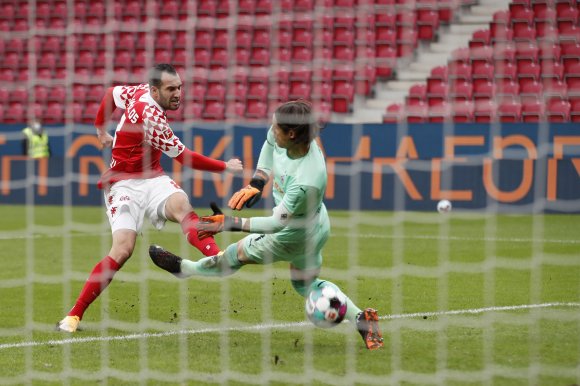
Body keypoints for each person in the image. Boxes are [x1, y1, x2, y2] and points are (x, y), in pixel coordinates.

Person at [149, 100, 383, 350]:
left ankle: (185, 268)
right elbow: (270, 145)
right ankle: (361, 319)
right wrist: (257, 182)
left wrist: (229, 223)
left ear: (291, 133)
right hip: (317, 225)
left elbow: (275, 223)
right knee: (304, 284)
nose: (271, 129)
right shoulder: (294, 139)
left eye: (276, 127)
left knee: (234, 255)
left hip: (290, 234)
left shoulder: (308, 179)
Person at [57, 63, 243, 332]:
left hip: (153, 178)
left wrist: (100, 128)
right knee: (123, 250)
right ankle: (73, 316)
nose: (178, 93)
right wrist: (224, 166)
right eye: (171, 89)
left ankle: (219, 257)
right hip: (123, 184)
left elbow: (111, 93)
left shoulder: (137, 92)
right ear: (154, 90)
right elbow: (185, 157)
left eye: (179, 87)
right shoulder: (151, 117)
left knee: (182, 206)